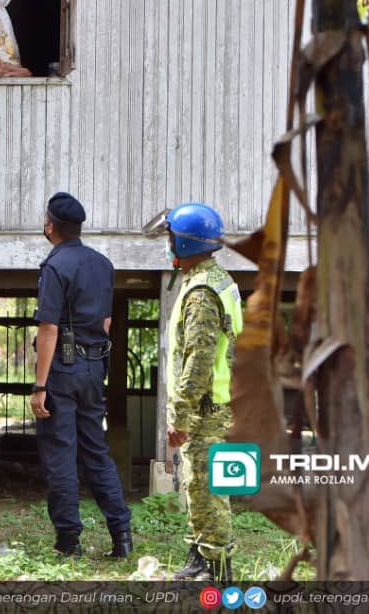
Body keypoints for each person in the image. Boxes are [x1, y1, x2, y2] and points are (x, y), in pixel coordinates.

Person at [30, 192, 134, 559]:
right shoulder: (102, 265)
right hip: (93, 368)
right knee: (96, 451)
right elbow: (105, 322)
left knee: (61, 453)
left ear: (50, 226)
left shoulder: (55, 267)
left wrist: (40, 385)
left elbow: (48, 329)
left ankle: (68, 541)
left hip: (61, 369)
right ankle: (121, 535)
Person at [148, 203, 243, 584]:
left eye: (171, 237)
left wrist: (179, 417)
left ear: (185, 242)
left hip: (206, 408)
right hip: (215, 404)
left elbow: (198, 362)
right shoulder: (213, 279)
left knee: (208, 489)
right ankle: (199, 555)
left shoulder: (203, 292)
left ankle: (218, 571)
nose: (168, 243)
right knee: (197, 485)